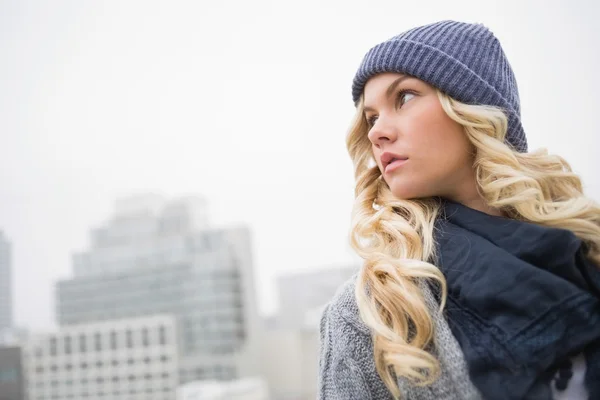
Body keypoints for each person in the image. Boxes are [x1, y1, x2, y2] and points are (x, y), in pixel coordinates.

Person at [317, 20, 600, 400]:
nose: (375, 131)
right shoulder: (371, 313)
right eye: (371, 117)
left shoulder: (586, 250)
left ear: (472, 109)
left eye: (403, 98)